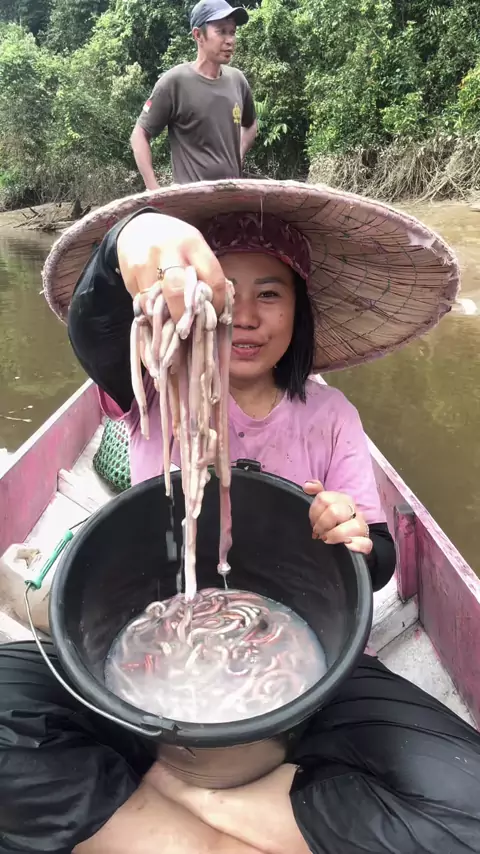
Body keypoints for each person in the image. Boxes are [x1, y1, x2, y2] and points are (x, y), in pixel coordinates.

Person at [2, 180, 478, 854]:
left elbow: (376, 560)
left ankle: (192, 796)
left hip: (315, 685)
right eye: (222, 290)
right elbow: (97, 327)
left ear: (300, 311)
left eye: (270, 294)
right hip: (144, 685)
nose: (244, 315)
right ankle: (192, 821)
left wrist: (352, 535)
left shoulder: (331, 417)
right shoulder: (153, 384)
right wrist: (131, 238)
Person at [130, 0, 258, 189]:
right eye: (221, 31)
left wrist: (237, 155)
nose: (230, 40)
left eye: (232, 32)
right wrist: (153, 190)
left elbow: (250, 124)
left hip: (231, 197)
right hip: (190, 200)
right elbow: (139, 135)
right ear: (198, 35)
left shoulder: (237, 80)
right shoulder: (175, 82)